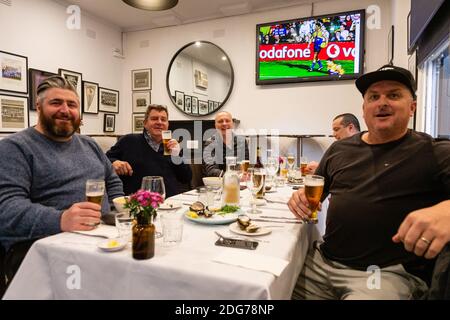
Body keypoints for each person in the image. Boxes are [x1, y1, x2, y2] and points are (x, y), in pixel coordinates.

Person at [288, 65, 450, 299]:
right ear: (364, 110)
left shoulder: (433, 152)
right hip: (322, 264)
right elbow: (313, 193)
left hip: (385, 275)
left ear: (412, 107)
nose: (382, 102)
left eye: (393, 95)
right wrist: (300, 198)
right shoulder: (339, 149)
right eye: (374, 97)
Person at [0, 76, 124, 284]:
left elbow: (112, 180)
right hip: (41, 249)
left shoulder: (89, 144)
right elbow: (7, 209)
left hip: (102, 238)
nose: (65, 110)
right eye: (56, 103)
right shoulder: (15, 147)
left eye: (72, 104)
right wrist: (61, 220)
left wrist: (119, 210)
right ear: (38, 107)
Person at [106, 104, 192, 197]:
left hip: (170, 204)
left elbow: (186, 178)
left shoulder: (172, 146)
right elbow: (103, 160)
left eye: (163, 119)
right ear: (145, 123)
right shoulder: (129, 140)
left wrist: (177, 156)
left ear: (167, 124)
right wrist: (114, 162)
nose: (159, 122)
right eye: (154, 118)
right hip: (137, 204)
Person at [203, 111, 249, 177]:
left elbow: (246, 166)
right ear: (215, 125)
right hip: (217, 184)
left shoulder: (241, 141)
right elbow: (211, 170)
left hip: (239, 182)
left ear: (232, 124)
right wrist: (232, 177)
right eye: (220, 121)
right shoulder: (210, 143)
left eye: (227, 121)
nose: (224, 124)